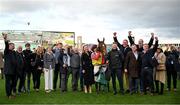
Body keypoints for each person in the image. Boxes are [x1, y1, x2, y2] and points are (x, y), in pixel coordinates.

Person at [2, 33, 17, 99]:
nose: (13, 46)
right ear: (9, 46)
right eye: (12, 45)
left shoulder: (13, 52)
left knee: (13, 83)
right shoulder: (6, 51)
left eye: (13, 45)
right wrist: (5, 39)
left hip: (13, 71)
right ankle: (8, 95)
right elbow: (6, 44)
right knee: (8, 83)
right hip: (8, 71)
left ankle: (10, 93)